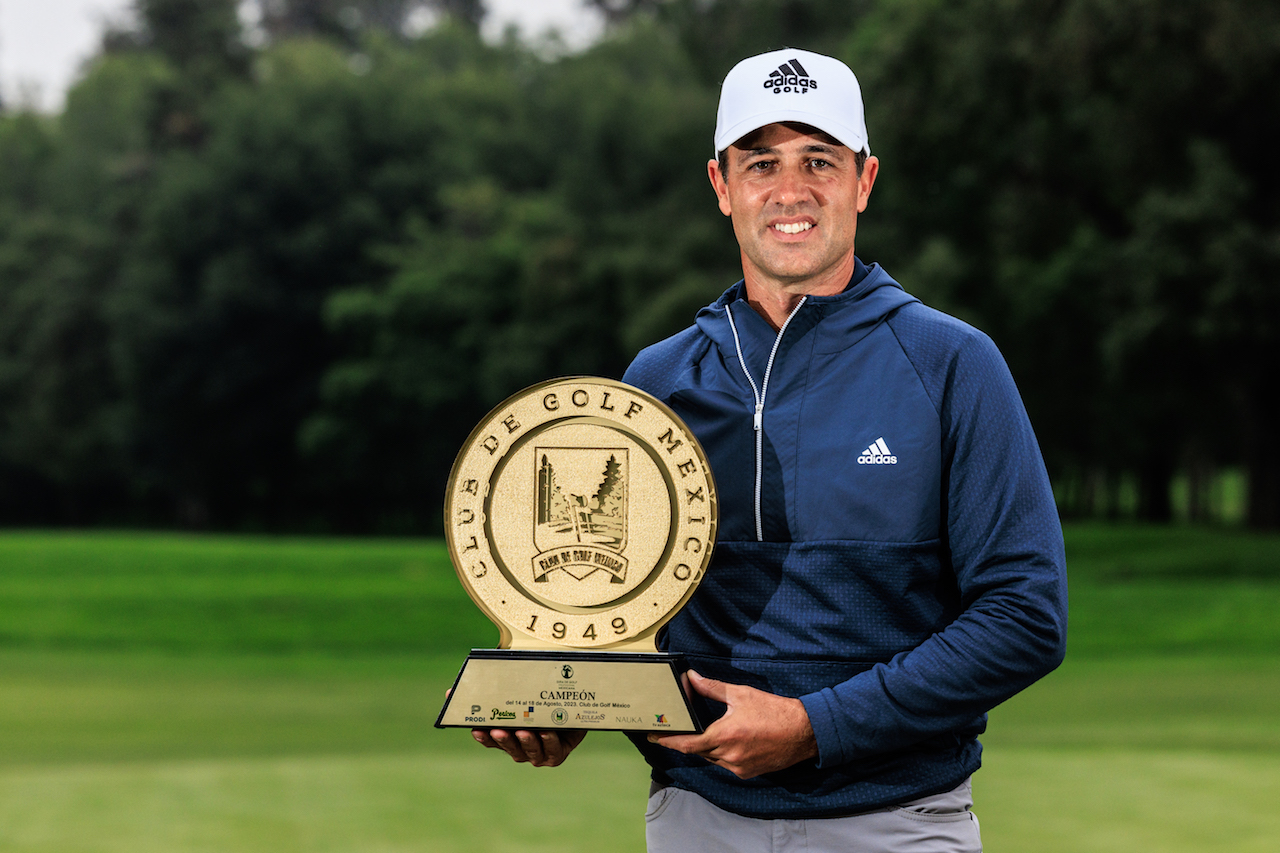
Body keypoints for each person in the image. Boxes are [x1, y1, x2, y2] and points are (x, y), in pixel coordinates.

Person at [472, 47, 1068, 852]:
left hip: (896, 824)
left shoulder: (953, 364)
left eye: (819, 160)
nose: (791, 191)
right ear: (721, 185)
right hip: (695, 820)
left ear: (865, 179)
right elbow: (624, 611)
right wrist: (568, 705)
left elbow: (1024, 616)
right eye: (761, 163)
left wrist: (814, 726)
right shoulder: (658, 379)